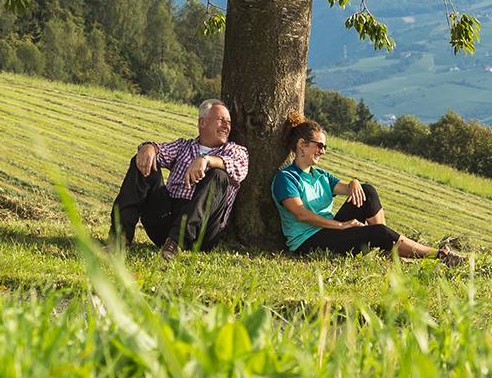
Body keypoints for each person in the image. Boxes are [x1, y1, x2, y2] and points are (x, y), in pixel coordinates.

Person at [271, 115, 464, 263]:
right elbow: (301, 215)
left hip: (328, 230)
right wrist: (342, 226)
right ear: (302, 145)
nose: (323, 151)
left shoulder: (320, 175)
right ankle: (439, 256)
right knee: (378, 232)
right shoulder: (286, 178)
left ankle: (388, 250)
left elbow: (350, 190)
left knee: (367, 191)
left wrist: (354, 182)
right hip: (308, 241)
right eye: (319, 146)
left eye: (325, 147)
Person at [110, 99, 249, 256]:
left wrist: (206, 160)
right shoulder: (184, 146)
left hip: (201, 231)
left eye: (228, 122)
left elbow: (239, 168)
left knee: (219, 174)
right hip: (166, 219)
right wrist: (149, 147)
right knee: (143, 161)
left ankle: (176, 242)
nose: (226, 126)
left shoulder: (235, 151)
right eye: (220, 120)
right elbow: (160, 150)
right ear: (202, 122)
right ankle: (120, 239)